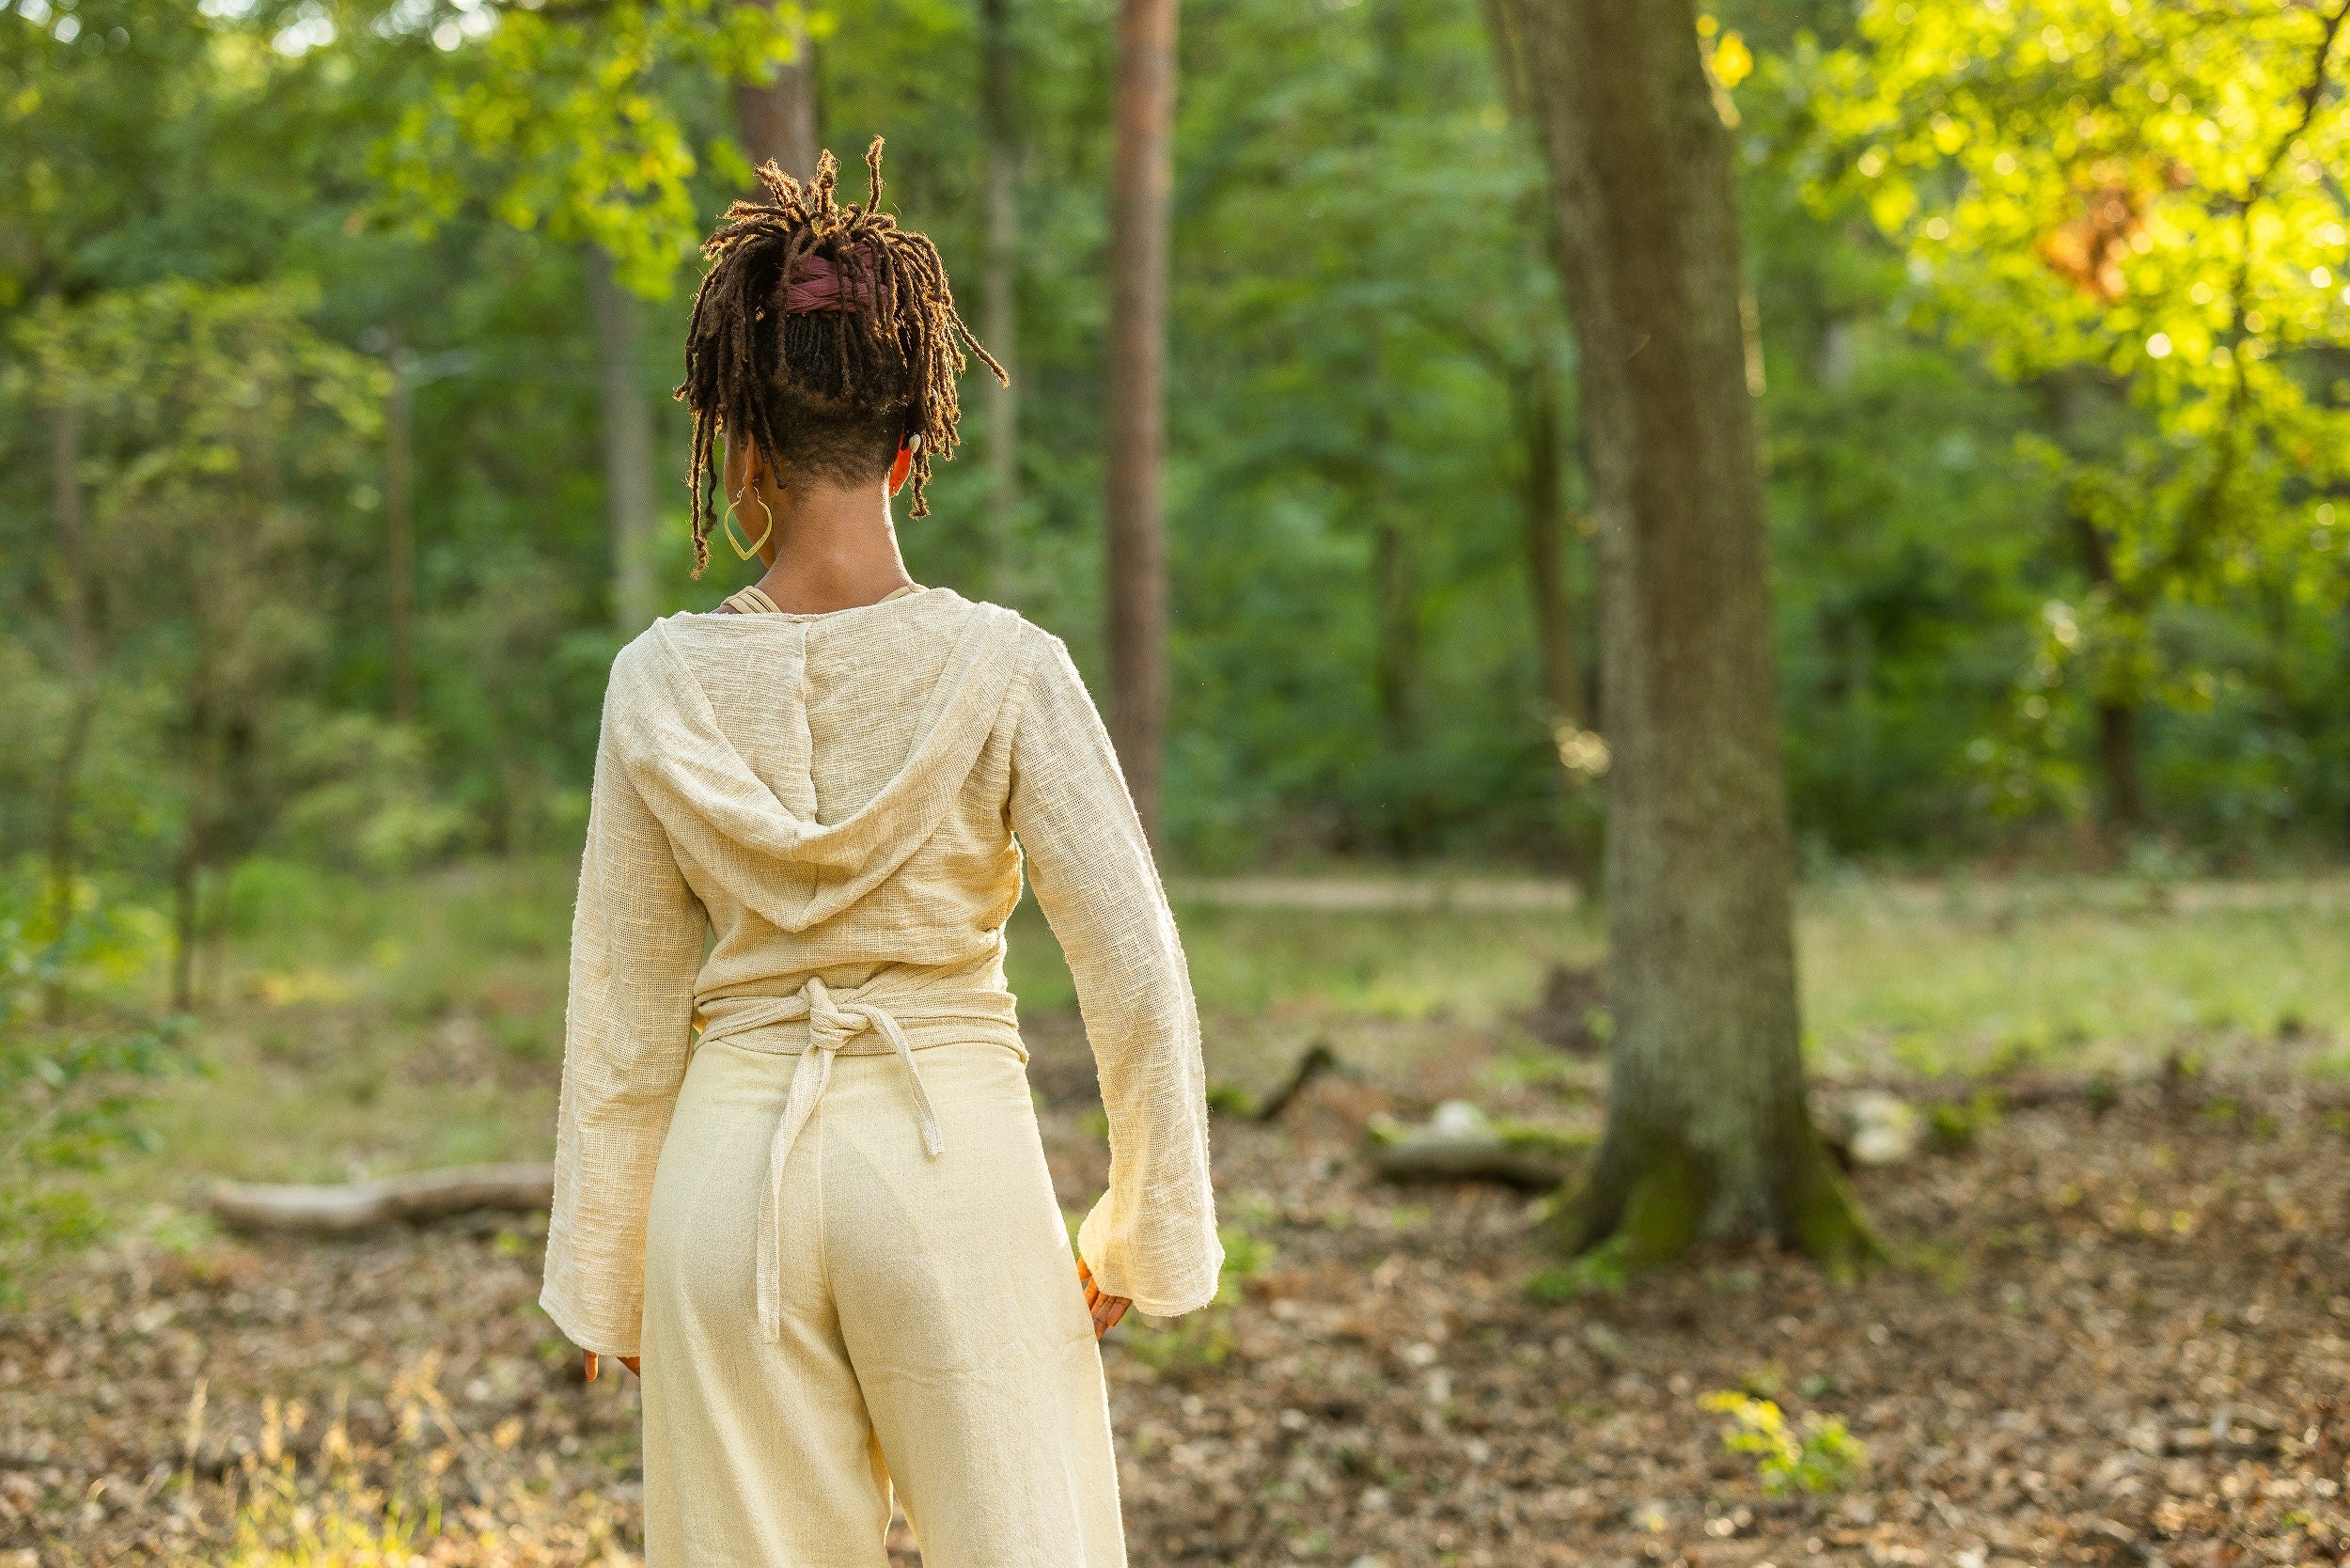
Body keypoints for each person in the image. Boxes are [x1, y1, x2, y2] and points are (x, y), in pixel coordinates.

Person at [538, 140, 1222, 1567]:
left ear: (740, 450)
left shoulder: (657, 682)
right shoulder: (1008, 670)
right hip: (947, 1166)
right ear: (914, 451)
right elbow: (1141, 977)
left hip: (729, 1189)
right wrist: (1141, 1241)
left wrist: (610, 1280)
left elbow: (624, 1012)